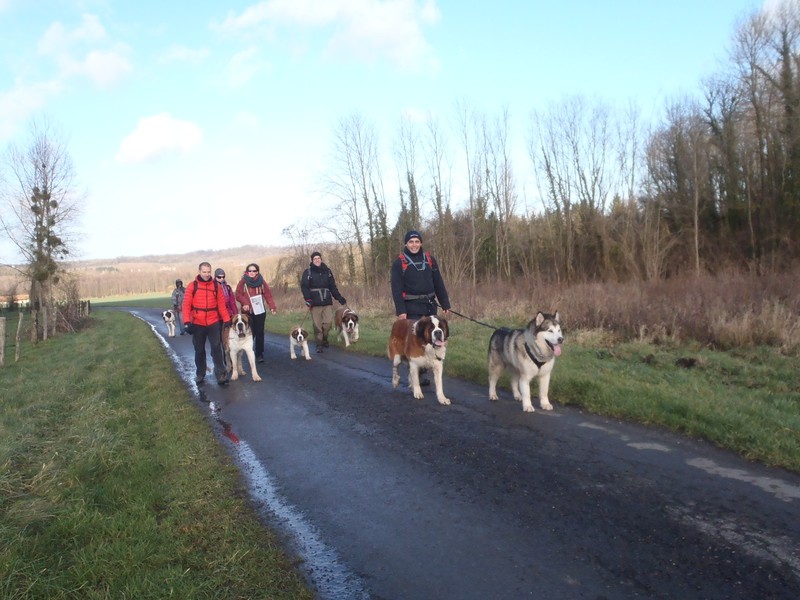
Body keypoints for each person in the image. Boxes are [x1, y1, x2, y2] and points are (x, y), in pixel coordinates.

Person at [390, 230, 451, 384]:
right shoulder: (399, 263)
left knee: (430, 337)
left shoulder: (430, 260)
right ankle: (418, 373)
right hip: (411, 307)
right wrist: (401, 311)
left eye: (417, 242)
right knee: (417, 340)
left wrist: (445, 303)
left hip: (430, 305)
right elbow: (396, 289)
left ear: (421, 243)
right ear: (406, 244)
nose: (414, 245)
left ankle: (423, 369)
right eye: (411, 242)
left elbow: (438, 282)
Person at [182, 262, 231, 385]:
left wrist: (226, 319)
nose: (206, 274)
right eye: (204, 272)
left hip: (213, 322)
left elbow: (221, 304)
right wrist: (187, 322)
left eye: (208, 272)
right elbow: (186, 305)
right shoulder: (192, 286)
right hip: (197, 323)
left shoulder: (216, 286)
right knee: (199, 350)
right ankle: (200, 373)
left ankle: (221, 374)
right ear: (199, 271)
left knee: (216, 348)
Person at [300, 251, 347, 353]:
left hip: (327, 301)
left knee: (328, 323)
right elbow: (304, 287)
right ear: (312, 260)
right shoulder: (307, 272)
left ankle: (325, 338)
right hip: (314, 302)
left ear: (321, 259)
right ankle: (319, 344)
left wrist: (339, 298)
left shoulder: (327, 271)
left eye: (318, 258)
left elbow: (332, 287)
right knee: (317, 325)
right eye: (315, 259)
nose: (317, 260)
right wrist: (308, 299)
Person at [235, 262, 277, 363]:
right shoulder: (243, 282)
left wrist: (272, 307)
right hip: (247, 312)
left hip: (259, 310)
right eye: (250, 271)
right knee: (249, 332)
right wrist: (244, 303)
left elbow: (268, 294)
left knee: (259, 332)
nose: (252, 272)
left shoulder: (261, 282)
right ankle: (247, 350)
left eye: (254, 271)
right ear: (247, 272)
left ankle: (259, 354)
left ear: (257, 272)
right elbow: (238, 295)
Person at [215, 268, 238, 368]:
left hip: (228, 316)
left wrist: (236, 314)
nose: (221, 278)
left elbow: (232, 301)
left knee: (230, 338)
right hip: (217, 317)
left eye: (223, 277)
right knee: (220, 340)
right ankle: (223, 362)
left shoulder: (227, 287)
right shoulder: (214, 287)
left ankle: (231, 360)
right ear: (215, 277)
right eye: (219, 277)